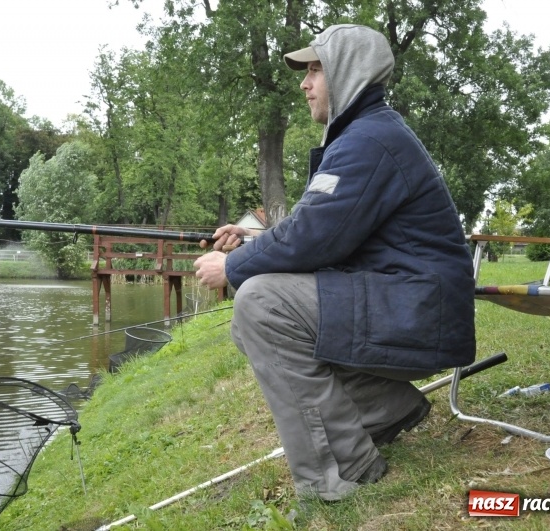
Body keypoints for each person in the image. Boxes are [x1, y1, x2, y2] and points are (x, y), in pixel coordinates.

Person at [193, 24, 475, 501]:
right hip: (409, 302)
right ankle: (384, 409)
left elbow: (312, 238)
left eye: (316, 69)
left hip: (420, 311)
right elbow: (326, 229)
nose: (305, 84)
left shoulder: (369, 141)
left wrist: (233, 268)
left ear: (349, 72)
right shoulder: (366, 135)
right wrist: (255, 239)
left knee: (261, 302)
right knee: (249, 323)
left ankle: (338, 475)